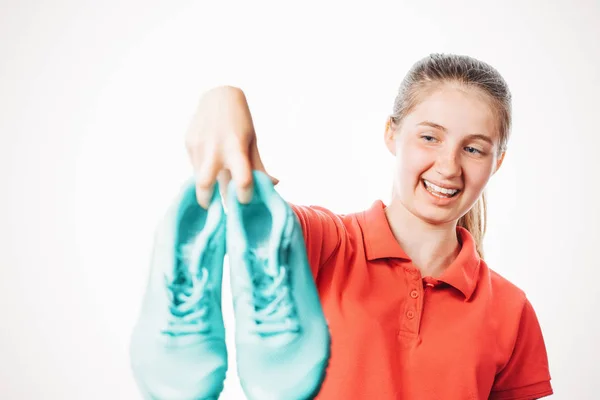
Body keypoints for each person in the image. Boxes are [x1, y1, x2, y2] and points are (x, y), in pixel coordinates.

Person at [185, 53, 553, 399]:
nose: (448, 166)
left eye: (473, 149)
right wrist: (223, 100)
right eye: (430, 137)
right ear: (392, 134)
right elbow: (248, 207)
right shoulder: (325, 244)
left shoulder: (511, 310)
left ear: (498, 162)